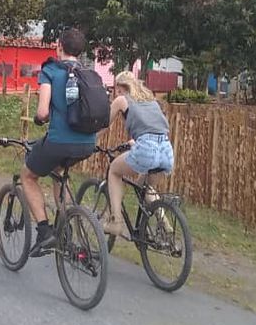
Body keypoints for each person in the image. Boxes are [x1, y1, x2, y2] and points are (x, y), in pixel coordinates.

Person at [21, 28, 98, 256]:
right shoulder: (89, 73)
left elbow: (43, 111)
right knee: (59, 171)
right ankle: (65, 227)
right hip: (87, 144)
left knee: (28, 175)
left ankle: (45, 232)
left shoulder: (51, 71)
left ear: (59, 47)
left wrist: (37, 119)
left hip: (59, 141)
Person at [102, 71, 174, 237]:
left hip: (147, 149)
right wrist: (136, 141)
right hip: (165, 149)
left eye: (115, 89)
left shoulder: (121, 100)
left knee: (113, 171)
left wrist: (91, 140)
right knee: (146, 187)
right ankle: (164, 222)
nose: (115, 92)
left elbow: (104, 125)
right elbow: (152, 129)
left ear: (120, 88)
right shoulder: (151, 100)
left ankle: (116, 222)